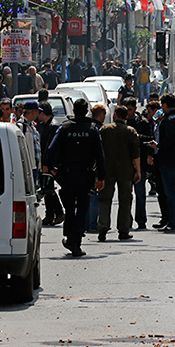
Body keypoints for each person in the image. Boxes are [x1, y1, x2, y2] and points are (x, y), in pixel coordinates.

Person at [45, 98, 106, 257]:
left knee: (70, 208)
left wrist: (53, 170)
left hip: (67, 175)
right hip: (85, 175)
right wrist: (102, 177)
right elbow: (100, 156)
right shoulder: (93, 130)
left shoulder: (64, 128)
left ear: (73, 110)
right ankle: (76, 241)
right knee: (82, 209)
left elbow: (50, 151)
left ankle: (70, 237)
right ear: (86, 111)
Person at [97, 105, 141, 242]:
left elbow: (98, 151)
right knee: (125, 200)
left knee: (105, 199)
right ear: (126, 116)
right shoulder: (131, 131)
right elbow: (135, 154)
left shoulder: (104, 130)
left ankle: (103, 227)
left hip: (107, 170)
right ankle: (123, 230)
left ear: (115, 115)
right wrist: (138, 170)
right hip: (126, 171)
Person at [148, 93, 175, 233]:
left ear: (165, 105)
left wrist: (157, 145)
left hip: (169, 160)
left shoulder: (169, 120)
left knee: (171, 192)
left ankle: (174, 222)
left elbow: (168, 141)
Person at [125, 97, 155, 229]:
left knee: (140, 193)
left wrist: (138, 137)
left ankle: (141, 220)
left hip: (140, 162)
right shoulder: (121, 121)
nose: (127, 112)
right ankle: (126, 221)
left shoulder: (143, 122)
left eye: (130, 109)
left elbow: (151, 139)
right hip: (125, 163)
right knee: (125, 195)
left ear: (135, 109)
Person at [37, 102, 65, 226]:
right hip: (45, 163)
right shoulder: (43, 126)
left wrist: (48, 164)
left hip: (51, 163)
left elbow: (51, 148)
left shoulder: (53, 127)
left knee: (48, 188)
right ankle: (50, 214)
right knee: (46, 187)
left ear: (42, 113)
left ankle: (58, 212)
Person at [85, 105, 107, 233]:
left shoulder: (88, 127)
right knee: (93, 196)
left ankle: (87, 222)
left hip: (85, 166)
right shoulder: (98, 129)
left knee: (87, 195)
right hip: (94, 167)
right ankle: (92, 223)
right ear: (101, 115)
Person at [18, 101, 42, 183]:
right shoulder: (21, 126)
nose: (38, 114)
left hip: (35, 166)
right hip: (28, 168)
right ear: (32, 112)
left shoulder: (32, 125)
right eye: (37, 112)